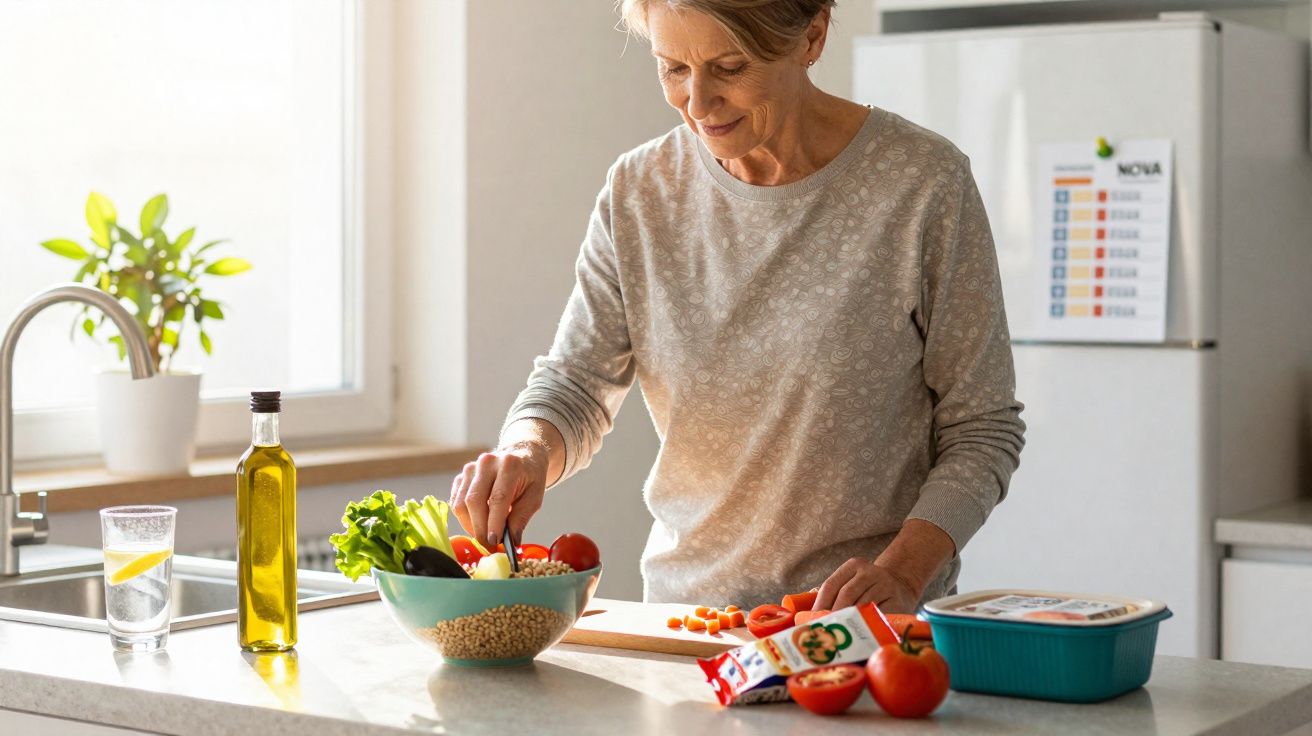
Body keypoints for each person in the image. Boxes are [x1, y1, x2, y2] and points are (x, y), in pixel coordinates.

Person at [450, 0, 1025, 613]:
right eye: (672, 68)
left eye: (728, 67)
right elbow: (576, 384)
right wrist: (526, 450)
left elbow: (982, 428)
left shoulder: (921, 185)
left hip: (861, 628)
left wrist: (904, 574)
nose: (697, 103)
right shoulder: (640, 191)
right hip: (690, 619)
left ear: (812, 36)